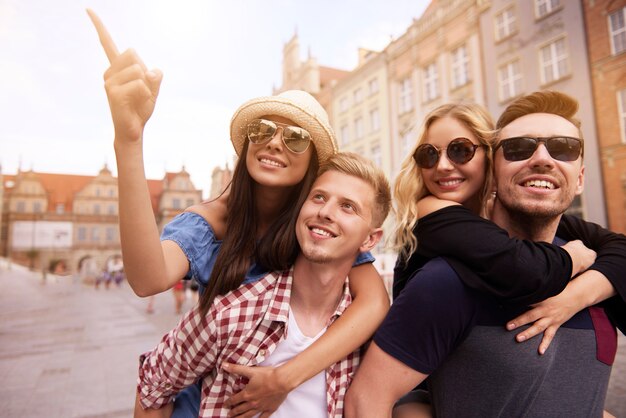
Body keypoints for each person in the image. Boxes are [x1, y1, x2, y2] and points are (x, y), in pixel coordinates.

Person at [86, 10, 389, 417]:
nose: (275, 143)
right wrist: (129, 139)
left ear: (314, 165)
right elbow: (147, 278)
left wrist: (286, 378)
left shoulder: (318, 223)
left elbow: (373, 303)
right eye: (262, 130)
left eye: (296, 137)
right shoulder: (213, 222)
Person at [345, 91, 626, 417]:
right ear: (497, 168)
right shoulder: (446, 275)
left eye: (563, 148)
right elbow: (368, 399)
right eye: (519, 148)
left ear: (579, 179)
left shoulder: (597, 262)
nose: (542, 159)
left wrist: (575, 295)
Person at [134, 152, 391, 417]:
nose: (325, 212)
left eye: (347, 206)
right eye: (319, 197)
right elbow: (152, 386)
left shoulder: (371, 337)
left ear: (370, 240)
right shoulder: (231, 313)